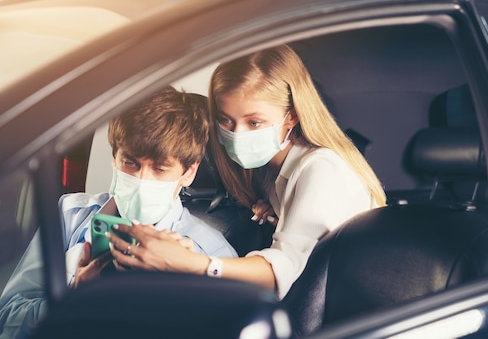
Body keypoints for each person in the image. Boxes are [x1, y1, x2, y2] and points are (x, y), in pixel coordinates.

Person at [105, 44, 386, 299]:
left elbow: (284, 270)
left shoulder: (321, 169)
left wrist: (192, 263)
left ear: (292, 116)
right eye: (226, 120)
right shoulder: (267, 172)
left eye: (254, 123)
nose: (236, 134)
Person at [0, 86, 238, 339]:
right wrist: (74, 298)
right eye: (130, 162)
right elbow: (6, 324)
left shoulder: (212, 254)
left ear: (189, 172)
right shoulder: (69, 216)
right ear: (114, 157)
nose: (141, 179)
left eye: (160, 169)